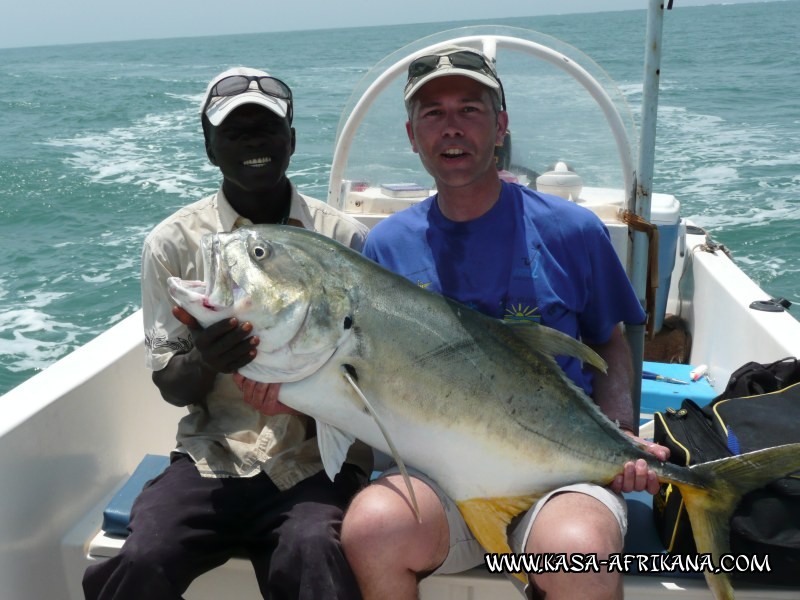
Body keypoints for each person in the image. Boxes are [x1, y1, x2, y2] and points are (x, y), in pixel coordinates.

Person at [340, 47, 670, 600]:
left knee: (579, 553)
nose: (452, 128)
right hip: (437, 479)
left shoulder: (572, 230)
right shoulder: (385, 247)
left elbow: (608, 343)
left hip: (560, 476)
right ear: (411, 134)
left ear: (501, 126)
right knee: (374, 528)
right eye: (433, 113)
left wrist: (618, 436)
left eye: (470, 109)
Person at [83, 66, 371, 600]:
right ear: (210, 148)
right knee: (143, 557)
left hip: (317, 461)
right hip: (210, 456)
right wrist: (206, 361)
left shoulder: (342, 238)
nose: (253, 144)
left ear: (292, 141)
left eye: (266, 130)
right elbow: (172, 386)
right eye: (235, 134)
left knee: (315, 551)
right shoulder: (172, 245)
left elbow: (369, 382)